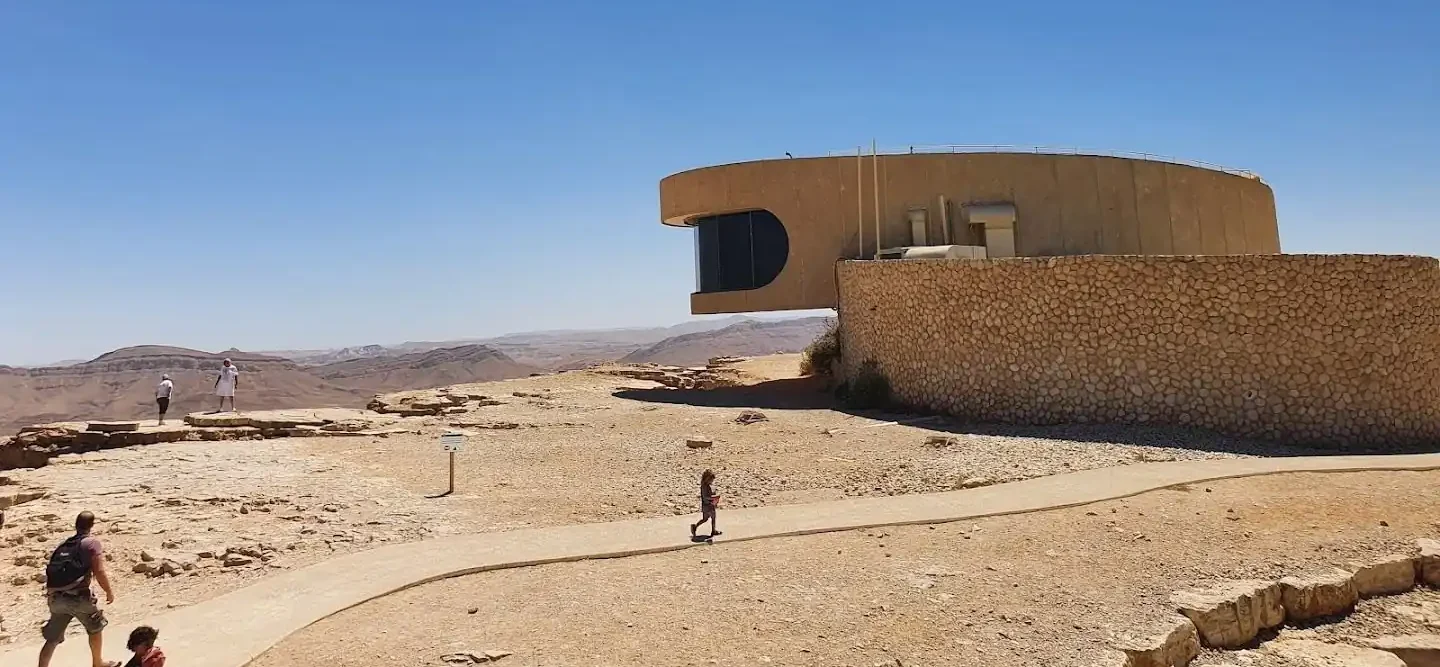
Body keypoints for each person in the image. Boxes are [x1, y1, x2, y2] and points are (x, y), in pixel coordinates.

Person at [38, 511, 118, 667]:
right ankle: (97, 663)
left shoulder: (63, 545)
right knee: (95, 627)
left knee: (52, 639)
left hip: (56, 599)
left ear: (76, 525)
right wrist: (108, 591)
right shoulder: (91, 543)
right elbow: (99, 571)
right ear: (92, 525)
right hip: (79, 597)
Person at [689, 469, 722, 539]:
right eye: (711, 480)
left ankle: (695, 526)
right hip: (708, 505)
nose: (712, 481)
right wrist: (714, 497)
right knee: (713, 518)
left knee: (705, 519)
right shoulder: (704, 486)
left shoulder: (706, 485)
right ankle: (713, 531)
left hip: (707, 505)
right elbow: (706, 497)